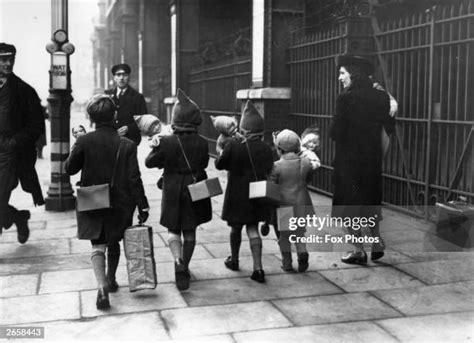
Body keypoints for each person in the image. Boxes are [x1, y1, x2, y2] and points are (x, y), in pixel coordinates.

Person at [65, 94, 149, 310]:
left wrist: (77, 144)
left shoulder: (85, 141)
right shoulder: (127, 144)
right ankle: (111, 279)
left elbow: (69, 169)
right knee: (114, 241)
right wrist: (143, 204)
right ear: (114, 115)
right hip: (121, 202)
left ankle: (101, 286)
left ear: (91, 118)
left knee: (98, 244)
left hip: (93, 198)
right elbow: (134, 179)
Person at [145, 89, 212, 291]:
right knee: (190, 229)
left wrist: (156, 146)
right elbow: (204, 163)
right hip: (195, 188)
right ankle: (186, 265)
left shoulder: (167, 142)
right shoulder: (202, 143)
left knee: (173, 229)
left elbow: (149, 163)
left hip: (172, 189)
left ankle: (177, 261)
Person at [331, 54, 395, 264]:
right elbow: (388, 128)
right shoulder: (381, 97)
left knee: (348, 205)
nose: (340, 78)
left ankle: (358, 250)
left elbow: (335, 132)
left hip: (349, 162)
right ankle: (376, 242)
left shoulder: (345, 98)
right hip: (372, 159)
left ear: (353, 73)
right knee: (370, 200)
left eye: (342, 73)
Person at [215, 100, 274, 283]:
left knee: (235, 229)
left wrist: (220, 148)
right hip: (256, 194)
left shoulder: (234, 145)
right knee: (252, 228)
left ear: (244, 129)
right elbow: (269, 167)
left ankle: (234, 259)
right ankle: (258, 268)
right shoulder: (266, 148)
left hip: (237, 195)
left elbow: (219, 164)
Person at [0, 43, 45, 243]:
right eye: (3, 60)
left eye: (11, 59)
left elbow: (36, 126)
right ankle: (18, 217)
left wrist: (14, 142)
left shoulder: (24, 91)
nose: (8, 63)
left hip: (10, 154)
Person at [270, 129, 314, 272]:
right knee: (300, 232)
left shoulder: (276, 166)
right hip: (302, 204)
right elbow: (308, 179)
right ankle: (302, 252)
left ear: (280, 148)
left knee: (284, 236)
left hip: (284, 206)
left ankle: (287, 263)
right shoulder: (306, 162)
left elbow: (272, 186)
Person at [105, 63, 147, 145]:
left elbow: (143, 120)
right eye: (118, 75)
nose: (121, 78)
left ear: (129, 77)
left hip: (131, 140)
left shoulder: (137, 97)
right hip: (111, 140)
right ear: (114, 78)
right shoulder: (107, 97)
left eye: (125, 75)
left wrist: (129, 128)